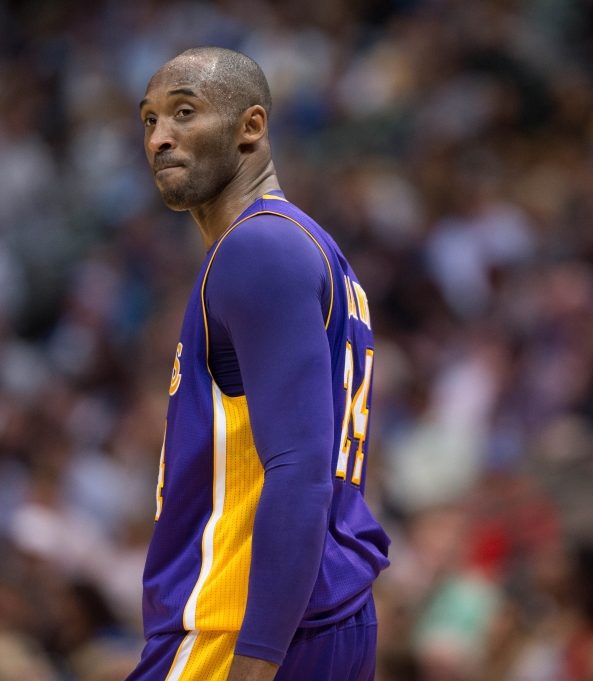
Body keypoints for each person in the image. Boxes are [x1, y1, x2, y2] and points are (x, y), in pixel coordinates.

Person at [126, 47, 390, 681]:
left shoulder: (258, 249)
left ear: (251, 127)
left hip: (241, 626)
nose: (161, 138)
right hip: (325, 616)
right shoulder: (308, 247)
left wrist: (255, 662)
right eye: (149, 120)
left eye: (184, 113)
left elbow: (299, 470)